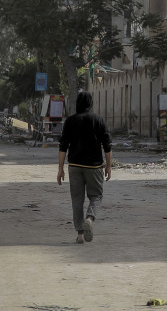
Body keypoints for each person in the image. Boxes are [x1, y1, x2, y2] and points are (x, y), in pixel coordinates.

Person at [56, 91, 112, 243]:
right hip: (94, 166)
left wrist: (60, 169)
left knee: (77, 199)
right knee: (96, 196)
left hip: (74, 165)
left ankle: (80, 234)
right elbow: (107, 146)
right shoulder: (98, 120)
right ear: (90, 103)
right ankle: (90, 219)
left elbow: (63, 147)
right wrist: (108, 166)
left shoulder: (70, 121)